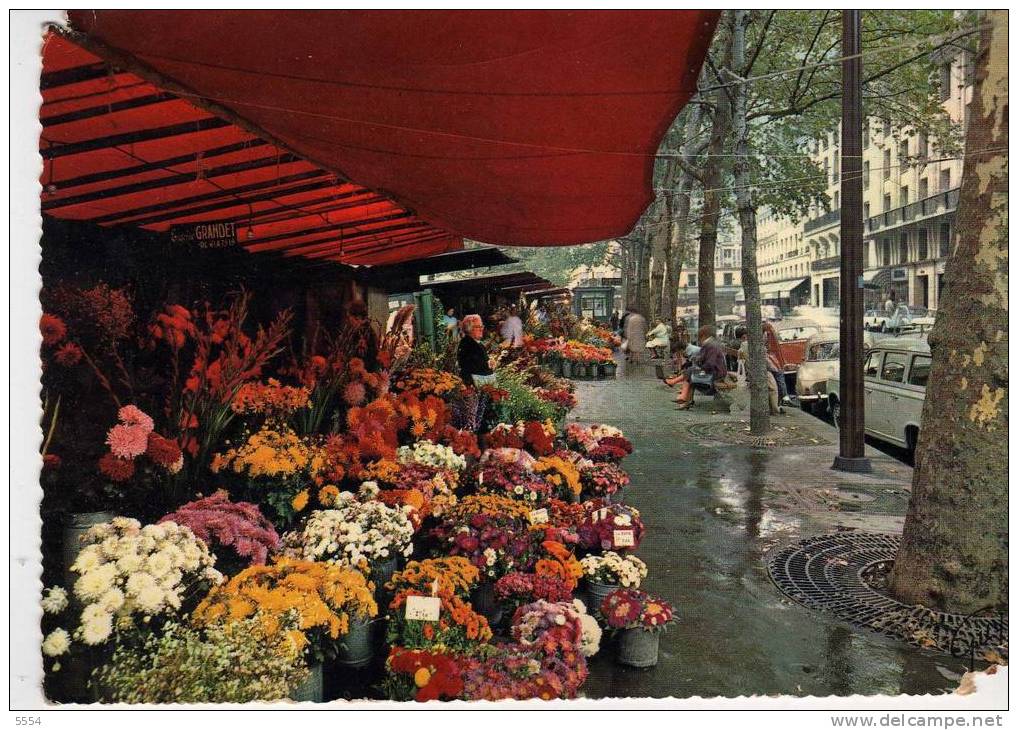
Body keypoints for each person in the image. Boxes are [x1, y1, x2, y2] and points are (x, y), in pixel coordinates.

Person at [676, 325, 728, 409]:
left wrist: (700, 366)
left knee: (690, 373)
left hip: (716, 373)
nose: (699, 339)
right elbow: (704, 358)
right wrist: (698, 360)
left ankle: (685, 399)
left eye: (699, 337)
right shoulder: (710, 344)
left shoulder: (711, 346)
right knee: (690, 372)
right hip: (714, 371)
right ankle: (686, 400)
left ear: (704, 336)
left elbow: (710, 364)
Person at [457, 314, 495, 387]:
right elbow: (471, 366)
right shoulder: (467, 344)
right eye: (478, 327)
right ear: (469, 329)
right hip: (474, 385)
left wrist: (489, 362)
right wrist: (488, 364)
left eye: (482, 326)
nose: (481, 329)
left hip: (482, 383)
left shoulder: (476, 343)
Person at [341, 300, 378, 370]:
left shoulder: (365, 332)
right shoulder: (365, 330)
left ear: (357, 317)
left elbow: (368, 357)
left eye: (349, 317)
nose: (348, 320)